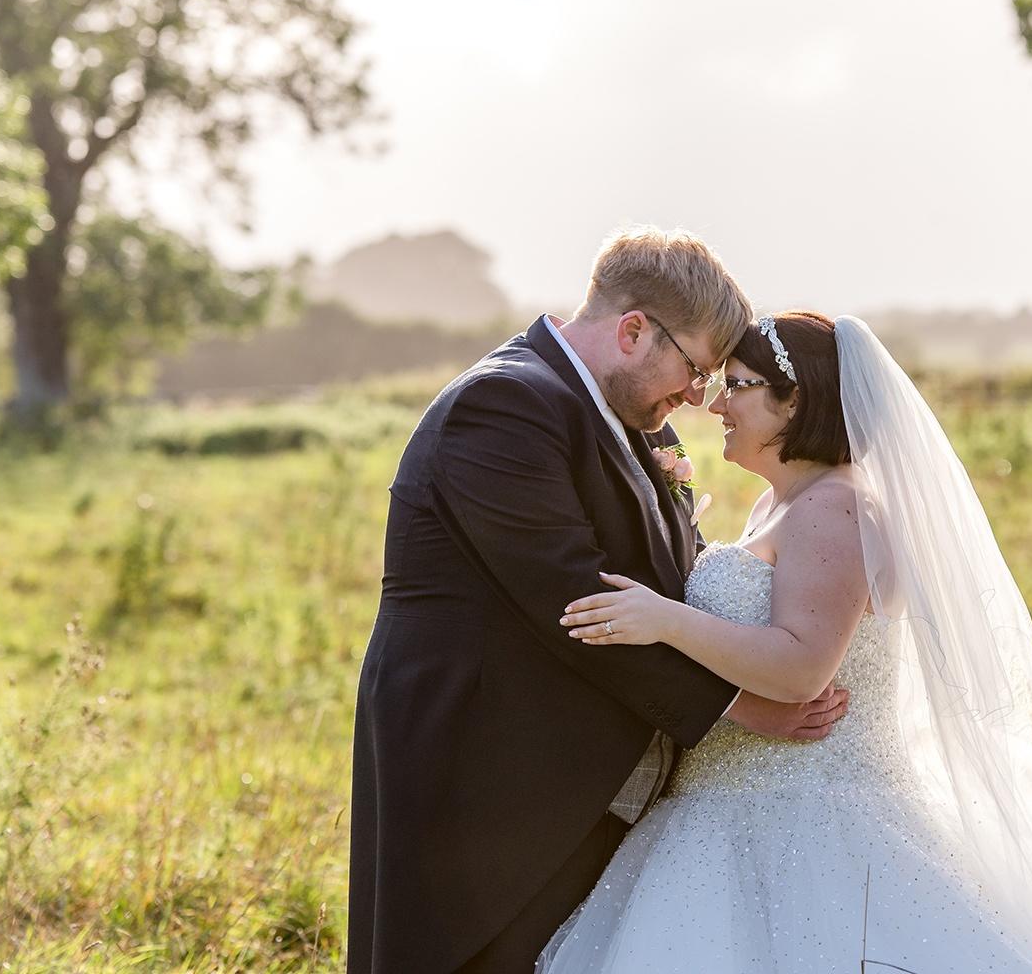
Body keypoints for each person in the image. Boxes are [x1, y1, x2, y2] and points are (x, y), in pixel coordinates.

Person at [539, 311, 1032, 972]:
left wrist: (665, 619)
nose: (716, 404)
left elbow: (802, 666)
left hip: (810, 818)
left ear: (795, 402)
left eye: (738, 385)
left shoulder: (837, 506)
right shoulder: (776, 504)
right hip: (725, 811)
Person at [346, 230, 851, 974]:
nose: (695, 397)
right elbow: (574, 602)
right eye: (694, 370)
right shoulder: (505, 405)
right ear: (634, 329)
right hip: (484, 780)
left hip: (575, 781)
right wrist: (741, 706)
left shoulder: (629, 416)